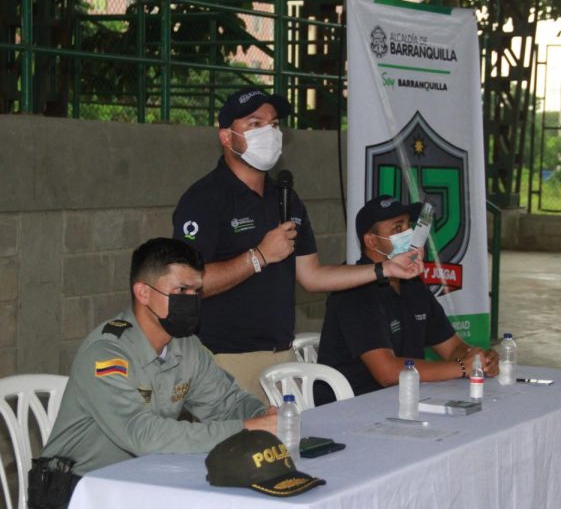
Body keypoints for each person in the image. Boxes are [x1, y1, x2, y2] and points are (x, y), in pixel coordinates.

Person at [172, 88, 421, 404]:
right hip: (226, 360)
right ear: (226, 136)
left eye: (274, 124)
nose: (269, 132)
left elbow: (312, 276)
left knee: (292, 451)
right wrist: (259, 256)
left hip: (282, 357)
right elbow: (188, 284)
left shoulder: (285, 199)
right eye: (255, 124)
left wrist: (382, 269)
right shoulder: (205, 199)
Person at [34, 238, 276, 508]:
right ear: (143, 293)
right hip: (78, 489)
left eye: (196, 291)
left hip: (141, 481)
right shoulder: (106, 354)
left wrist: (262, 417)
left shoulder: (186, 346)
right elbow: (143, 435)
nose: (191, 300)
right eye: (181, 289)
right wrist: (242, 429)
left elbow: (226, 402)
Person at [314, 196, 499, 405]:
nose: (408, 234)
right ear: (371, 241)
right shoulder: (353, 289)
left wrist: (477, 358)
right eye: (397, 228)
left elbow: (451, 346)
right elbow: (388, 373)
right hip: (353, 406)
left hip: (404, 398)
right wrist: (462, 367)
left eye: (408, 226)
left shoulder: (412, 283)